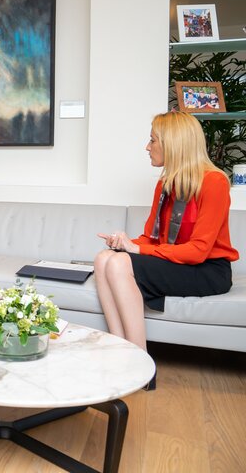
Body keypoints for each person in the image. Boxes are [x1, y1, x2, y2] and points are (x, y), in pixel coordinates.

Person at [94, 111, 238, 389]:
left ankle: (141, 367)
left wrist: (135, 250)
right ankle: (120, 353)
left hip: (208, 270)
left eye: (153, 140)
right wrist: (124, 243)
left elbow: (197, 251)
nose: (147, 147)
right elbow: (152, 238)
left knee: (119, 264)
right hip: (177, 263)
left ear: (173, 143)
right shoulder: (165, 183)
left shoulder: (214, 182)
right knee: (104, 258)